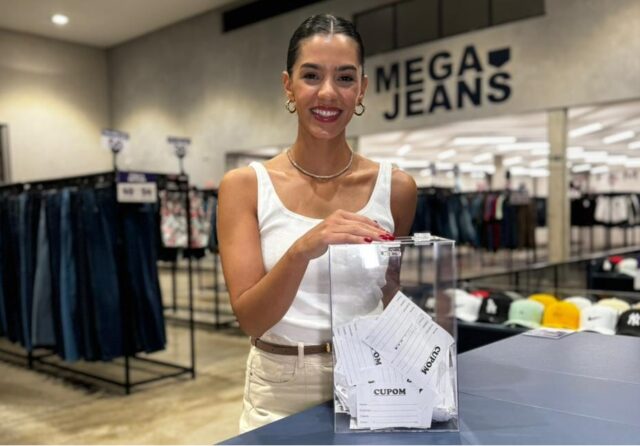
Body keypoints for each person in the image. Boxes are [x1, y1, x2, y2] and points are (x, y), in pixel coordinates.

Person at [217, 13, 417, 432]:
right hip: (280, 387)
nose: (328, 92)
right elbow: (251, 320)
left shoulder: (395, 188)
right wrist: (302, 249)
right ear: (288, 85)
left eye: (345, 78)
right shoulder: (245, 186)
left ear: (361, 88)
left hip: (370, 377)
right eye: (311, 75)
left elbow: (389, 293)